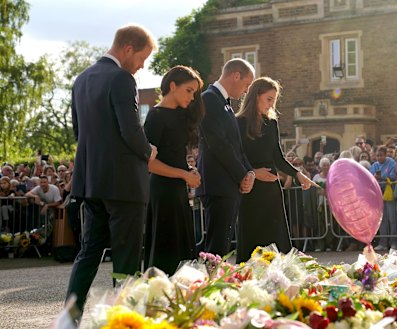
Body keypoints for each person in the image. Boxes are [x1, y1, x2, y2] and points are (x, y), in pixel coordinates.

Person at [65, 24, 158, 316]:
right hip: (124, 185)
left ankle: (70, 317)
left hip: (91, 182)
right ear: (128, 49)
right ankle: (125, 319)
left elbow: (79, 133)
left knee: (89, 254)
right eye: (142, 58)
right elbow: (130, 130)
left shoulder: (81, 80)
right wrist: (148, 151)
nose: (141, 66)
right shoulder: (121, 79)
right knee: (127, 258)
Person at [234, 77, 317, 262]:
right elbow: (236, 156)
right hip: (250, 189)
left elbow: (278, 158)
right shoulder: (238, 123)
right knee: (252, 240)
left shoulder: (271, 123)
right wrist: (254, 172)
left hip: (272, 192)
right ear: (256, 96)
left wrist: (298, 175)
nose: (272, 104)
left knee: (276, 237)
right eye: (269, 99)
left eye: (274, 100)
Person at [143, 66, 203, 275]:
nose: (192, 97)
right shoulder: (156, 116)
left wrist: (189, 171)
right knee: (165, 246)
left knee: (183, 247)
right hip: (162, 190)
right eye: (188, 90)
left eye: (194, 92)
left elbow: (175, 156)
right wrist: (184, 174)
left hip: (178, 188)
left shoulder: (181, 117)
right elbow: (149, 163)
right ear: (172, 86)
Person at [196, 58, 256, 257]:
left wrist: (249, 172)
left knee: (222, 245)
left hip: (228, 184)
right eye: (247, 84)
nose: (247, 90)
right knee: (215, 247)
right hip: (217, 184)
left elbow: (236, 146)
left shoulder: (226, 105)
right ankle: (207, 286)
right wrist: (242, 174)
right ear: (235, 76)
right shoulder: (209, 99)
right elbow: (218, 143)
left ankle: (214, 284)